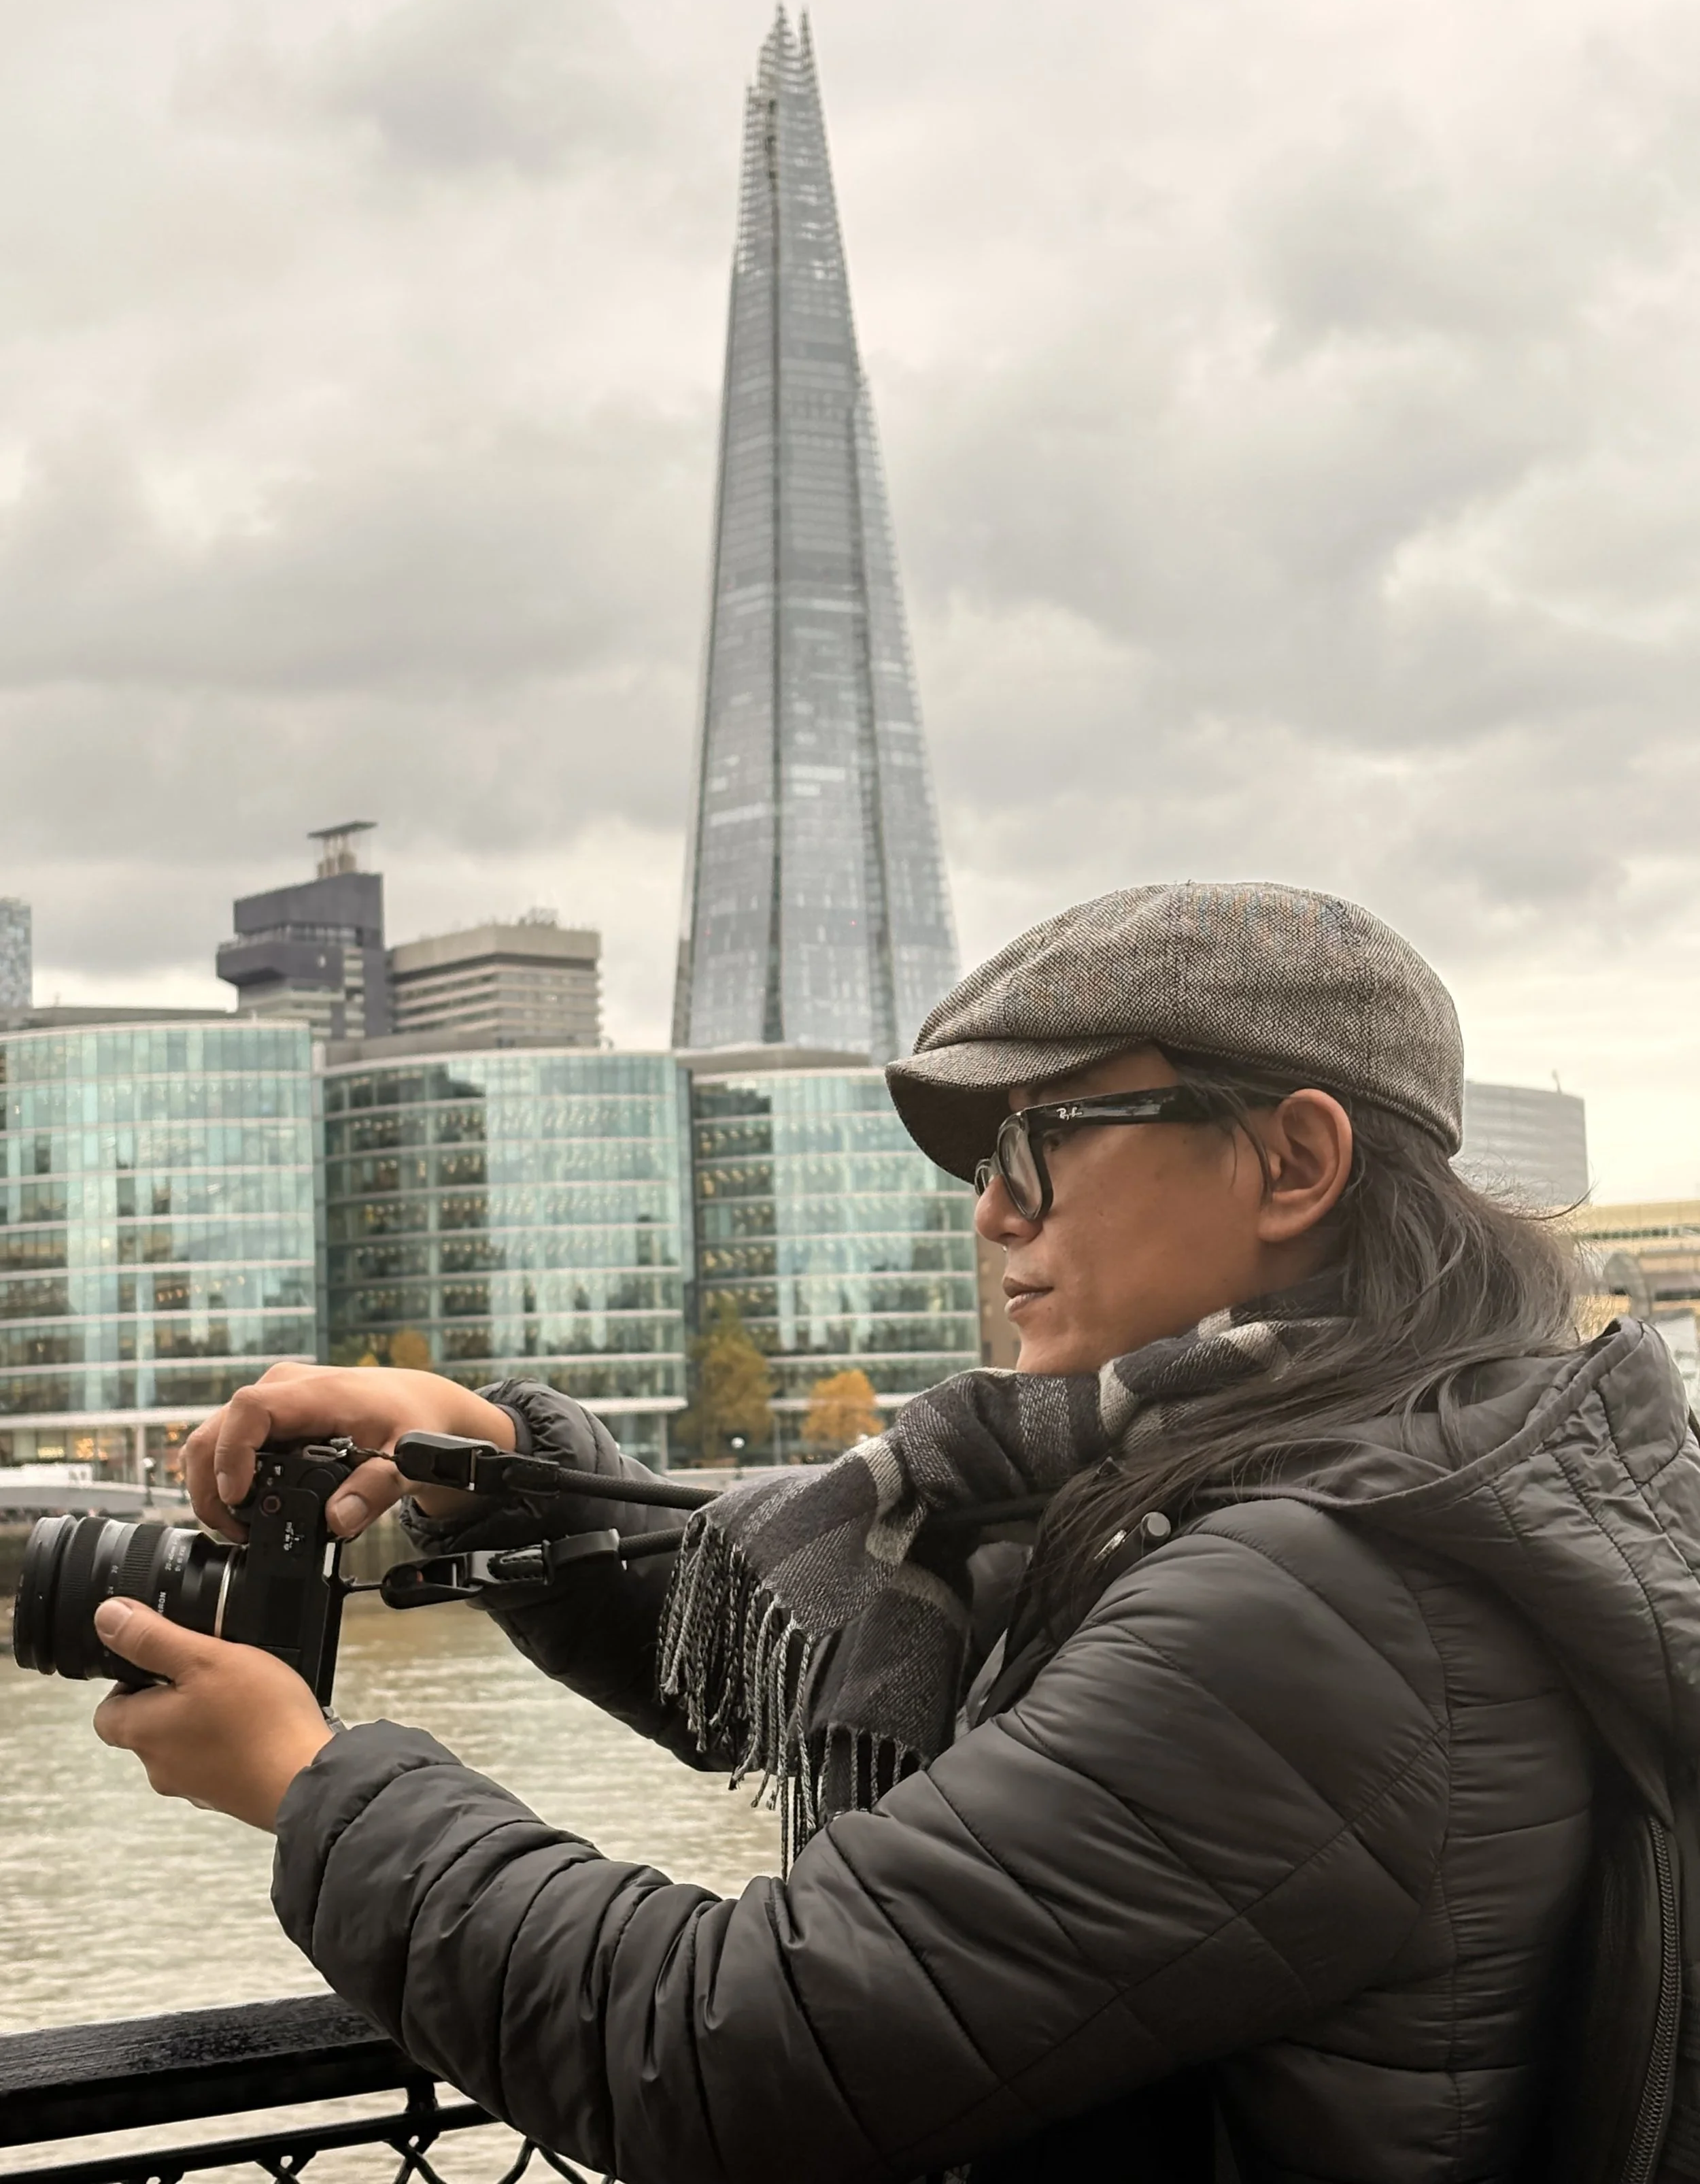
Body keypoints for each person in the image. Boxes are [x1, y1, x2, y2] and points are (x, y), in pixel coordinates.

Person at [88, 880, 1700, 2184]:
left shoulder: (1312, 1603)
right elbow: (859, 1681)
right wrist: (496, 1469)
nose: (992, 1210)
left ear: (1290, 1161)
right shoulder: (1368, 1482)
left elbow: (725, 2050)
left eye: (1036, 1143)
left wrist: (313, 1784)